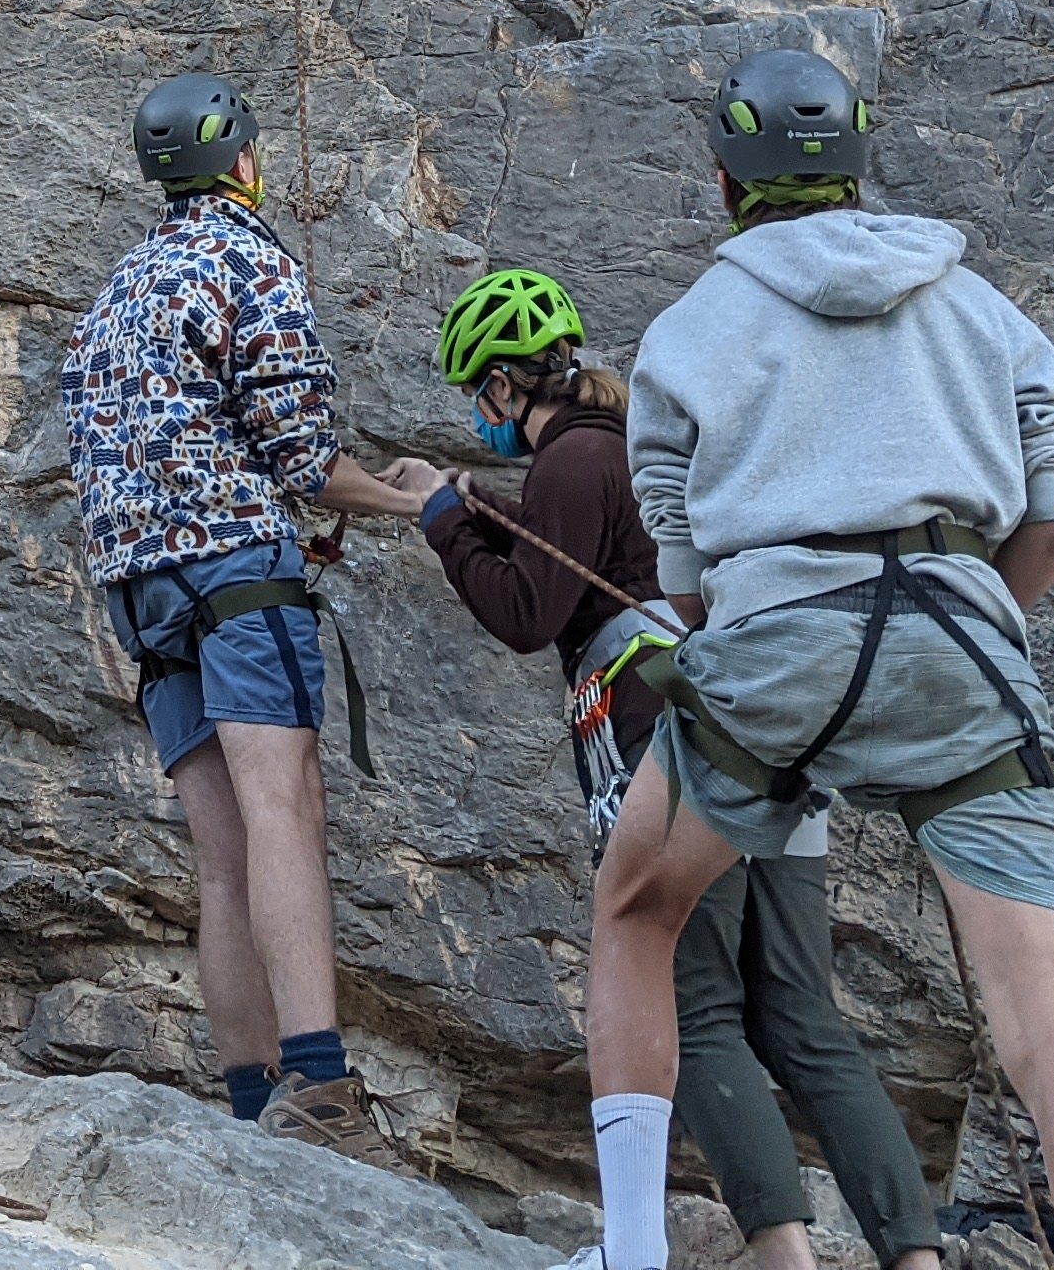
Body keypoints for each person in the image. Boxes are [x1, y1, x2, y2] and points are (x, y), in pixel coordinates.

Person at [579, 51, 1054, 1270]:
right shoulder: (987, 313)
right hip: (959, 632)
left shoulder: (687, 333)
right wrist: (963, 623)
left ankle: (632, 1253)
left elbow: (685, 592)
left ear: (725, 180)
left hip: (778, 645)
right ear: (860, 161)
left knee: (638, 909)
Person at [404, 270, 944, 1270]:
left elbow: (527, 615)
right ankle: (913, 1254)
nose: (480, 421)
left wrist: (441, 521)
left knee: (690, 1003)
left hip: (667, 743)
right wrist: (474, 512)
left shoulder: (571, 460)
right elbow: (564, 576)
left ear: (505, 386)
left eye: (477, 399)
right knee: (800, 1014)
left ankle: (783, 1257)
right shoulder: (641, 453)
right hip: (770, 727)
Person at [62, 72, 432, 1168]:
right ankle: (319, 1085)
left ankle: (246, 1098)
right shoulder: (248, 261)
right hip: (236, 574)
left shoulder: (119, 289)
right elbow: (306, 459)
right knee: (285, 813)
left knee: (220, 853)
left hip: (142, 590)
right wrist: (412, 498)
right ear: (245, 163)